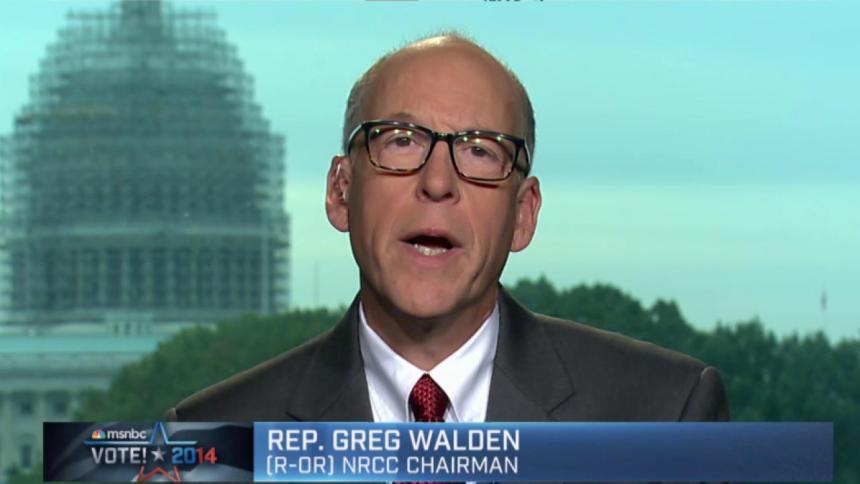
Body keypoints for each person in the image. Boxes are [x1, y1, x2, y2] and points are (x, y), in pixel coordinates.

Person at [167, 34, 728, 423]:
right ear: (341, 192)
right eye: (401, 141)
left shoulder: (667, 414)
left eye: (481, 151)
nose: (438, 182)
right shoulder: (211, 442)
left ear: (524, 214)